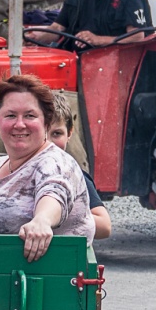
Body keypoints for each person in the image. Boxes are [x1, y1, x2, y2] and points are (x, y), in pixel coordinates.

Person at [0, 74, 94, 261]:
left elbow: (55, 190)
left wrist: (42, 220)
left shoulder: (55, 162)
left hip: (33, 279)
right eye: (11, 115)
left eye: (30, 116)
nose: (19, 124)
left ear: (46, 123)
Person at [46, 90, 111, 240]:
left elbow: (105, 226)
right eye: (43, 133)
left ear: (69, 133)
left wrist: (55, 218)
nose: (49, 142)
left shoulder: (75, 176)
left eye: (57, 134)